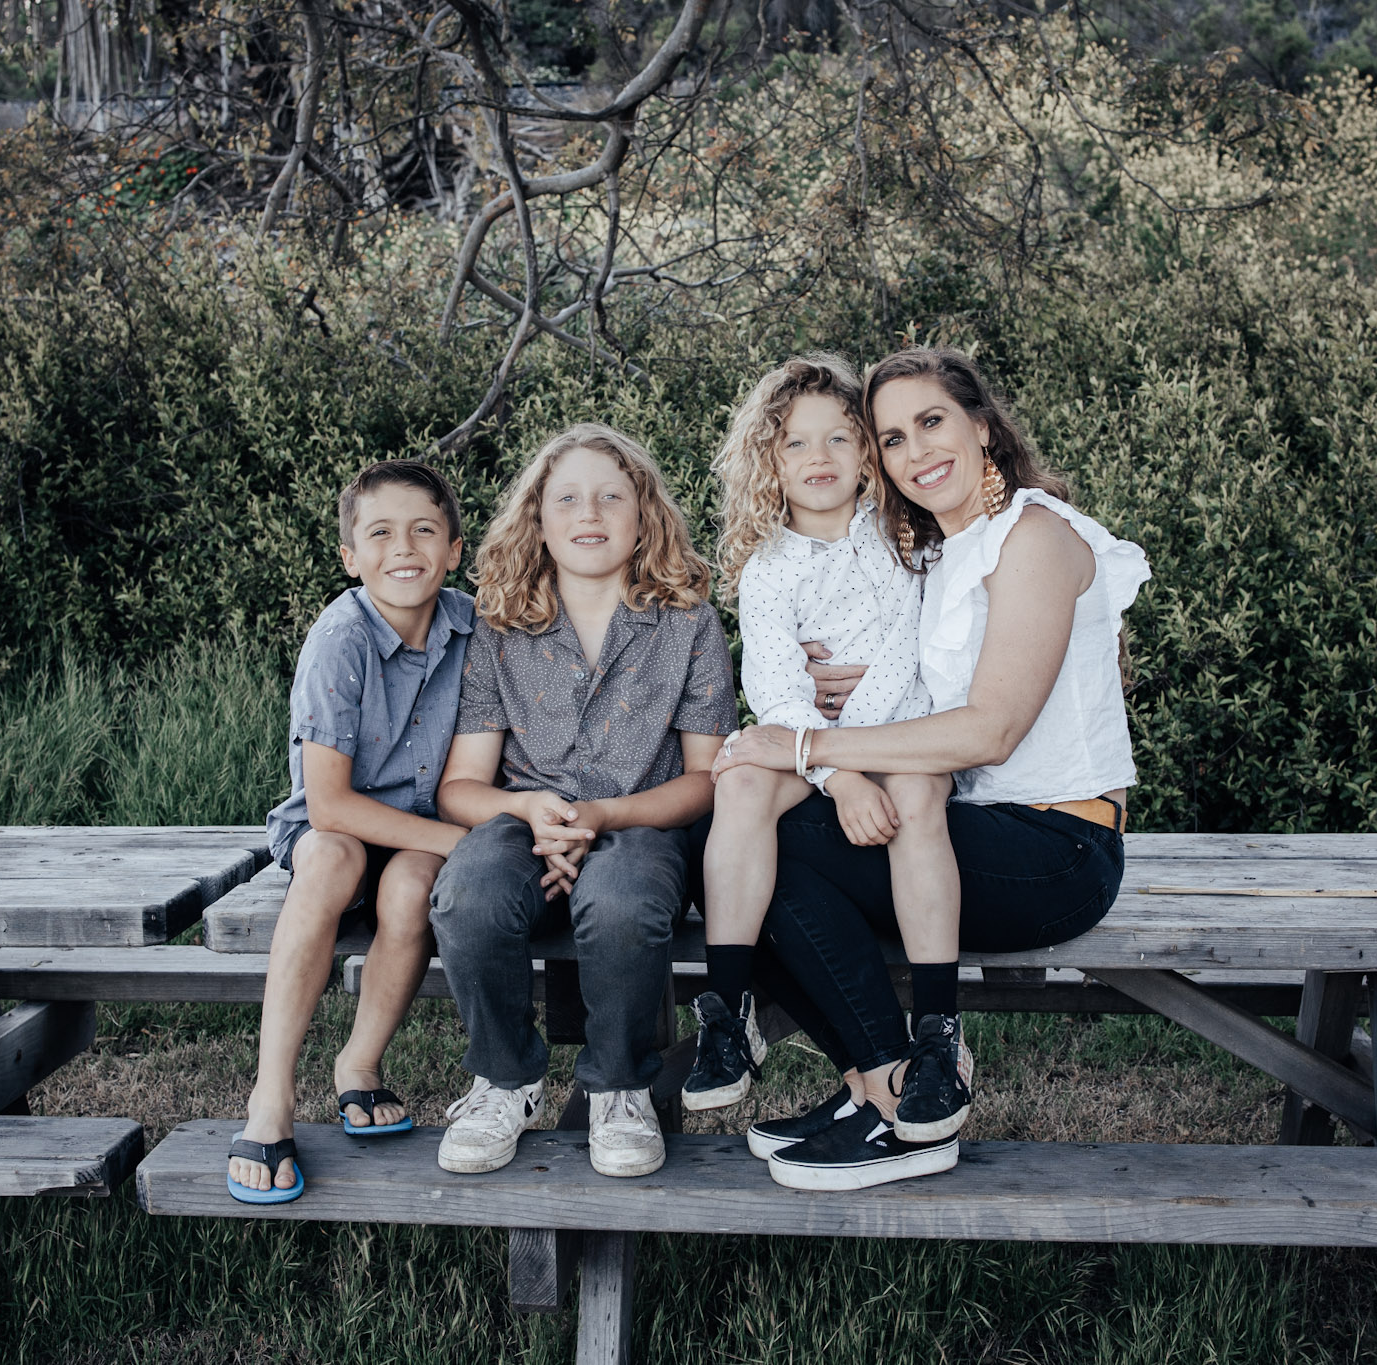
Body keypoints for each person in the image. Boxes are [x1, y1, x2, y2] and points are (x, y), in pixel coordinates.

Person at [712, 347, 1150, 1191]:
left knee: (766, 837)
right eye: (893, 437)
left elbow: (987, 730)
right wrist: (827, 691)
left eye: (933, 423)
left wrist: (811, 749)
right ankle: (883, 1088)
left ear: (983, 426)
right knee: (746, 844)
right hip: (960, 831)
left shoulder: (1034, 536)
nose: (917, 452)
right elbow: (891, 672)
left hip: (1058, 844)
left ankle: (909, 1082)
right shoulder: (931, 552)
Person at [429, 423, 737, 1179]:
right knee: (466, 893)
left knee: (625, 903)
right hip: (525, 820)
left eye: (610, 496)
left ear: (644, 516)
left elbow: (704, 779)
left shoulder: (689, 622)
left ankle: (621, 1088)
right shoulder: (500, 627)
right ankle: (505, 1079)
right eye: (566, 497)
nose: (588, 512)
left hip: (644, 819)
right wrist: (531, 810)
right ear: (538, 519)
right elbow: (460, 786)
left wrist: (604, 817)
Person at [691, 354, 964, 1140]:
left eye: (840, 439)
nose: (820, 459)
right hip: (813, 746)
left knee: (915, 795)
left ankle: (938, 1030)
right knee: (740, 780)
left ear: (867, 455)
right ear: (769, 463)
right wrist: (835, 767)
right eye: (797, 444)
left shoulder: (898, 542)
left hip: (896, 732)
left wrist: (846, 754)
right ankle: (728, 1013)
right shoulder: (767, 566)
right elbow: (774, 683)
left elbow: (902, 658)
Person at [228, 460, 477, 1204]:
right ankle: (270, 1096)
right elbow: (330, 803)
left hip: (419, 834)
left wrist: (446, 841)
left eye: (424, 530)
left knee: (411, 886)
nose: (404, 548)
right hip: (331, 826)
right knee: (334, 861)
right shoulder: (340, 638)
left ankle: (358, 1065)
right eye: (380, 533)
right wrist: (462, 843)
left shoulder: (475, 626)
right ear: (350, 556)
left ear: (455, 548)